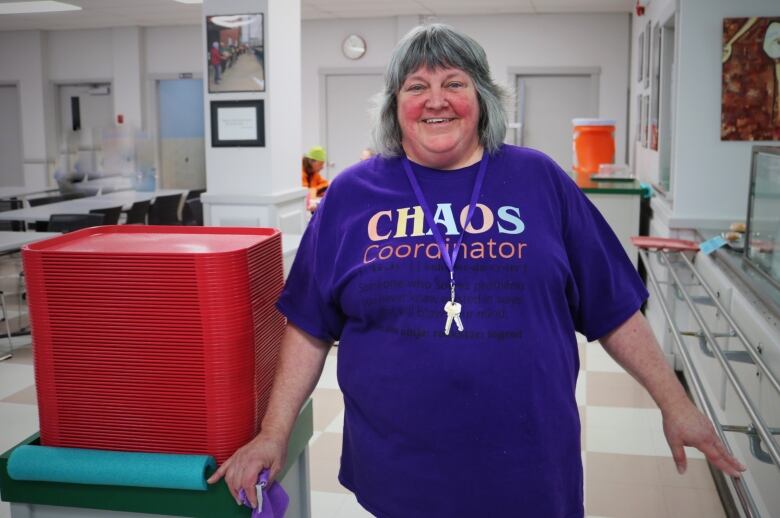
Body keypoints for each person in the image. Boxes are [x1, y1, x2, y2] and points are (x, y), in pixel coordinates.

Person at [208, 24, 745, 517]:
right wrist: (274, 433)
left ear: (482, 99)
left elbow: (613, 309)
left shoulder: (540, 180)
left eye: (454, 83)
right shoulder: (352, 194)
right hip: (401, 468)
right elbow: (308, 325)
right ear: (395, 106)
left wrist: (676, 404)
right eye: (416, 86)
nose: (435, 100)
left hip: (529, 464)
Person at [301, 146, 328, 211]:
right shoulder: (300, 173)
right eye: (321, 164)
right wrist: (315, 190)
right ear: (312, 162)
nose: (322, 167)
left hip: (310, 206)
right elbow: (306, 192)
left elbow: (326, 185)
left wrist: (315, 190)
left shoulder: (314, 173)